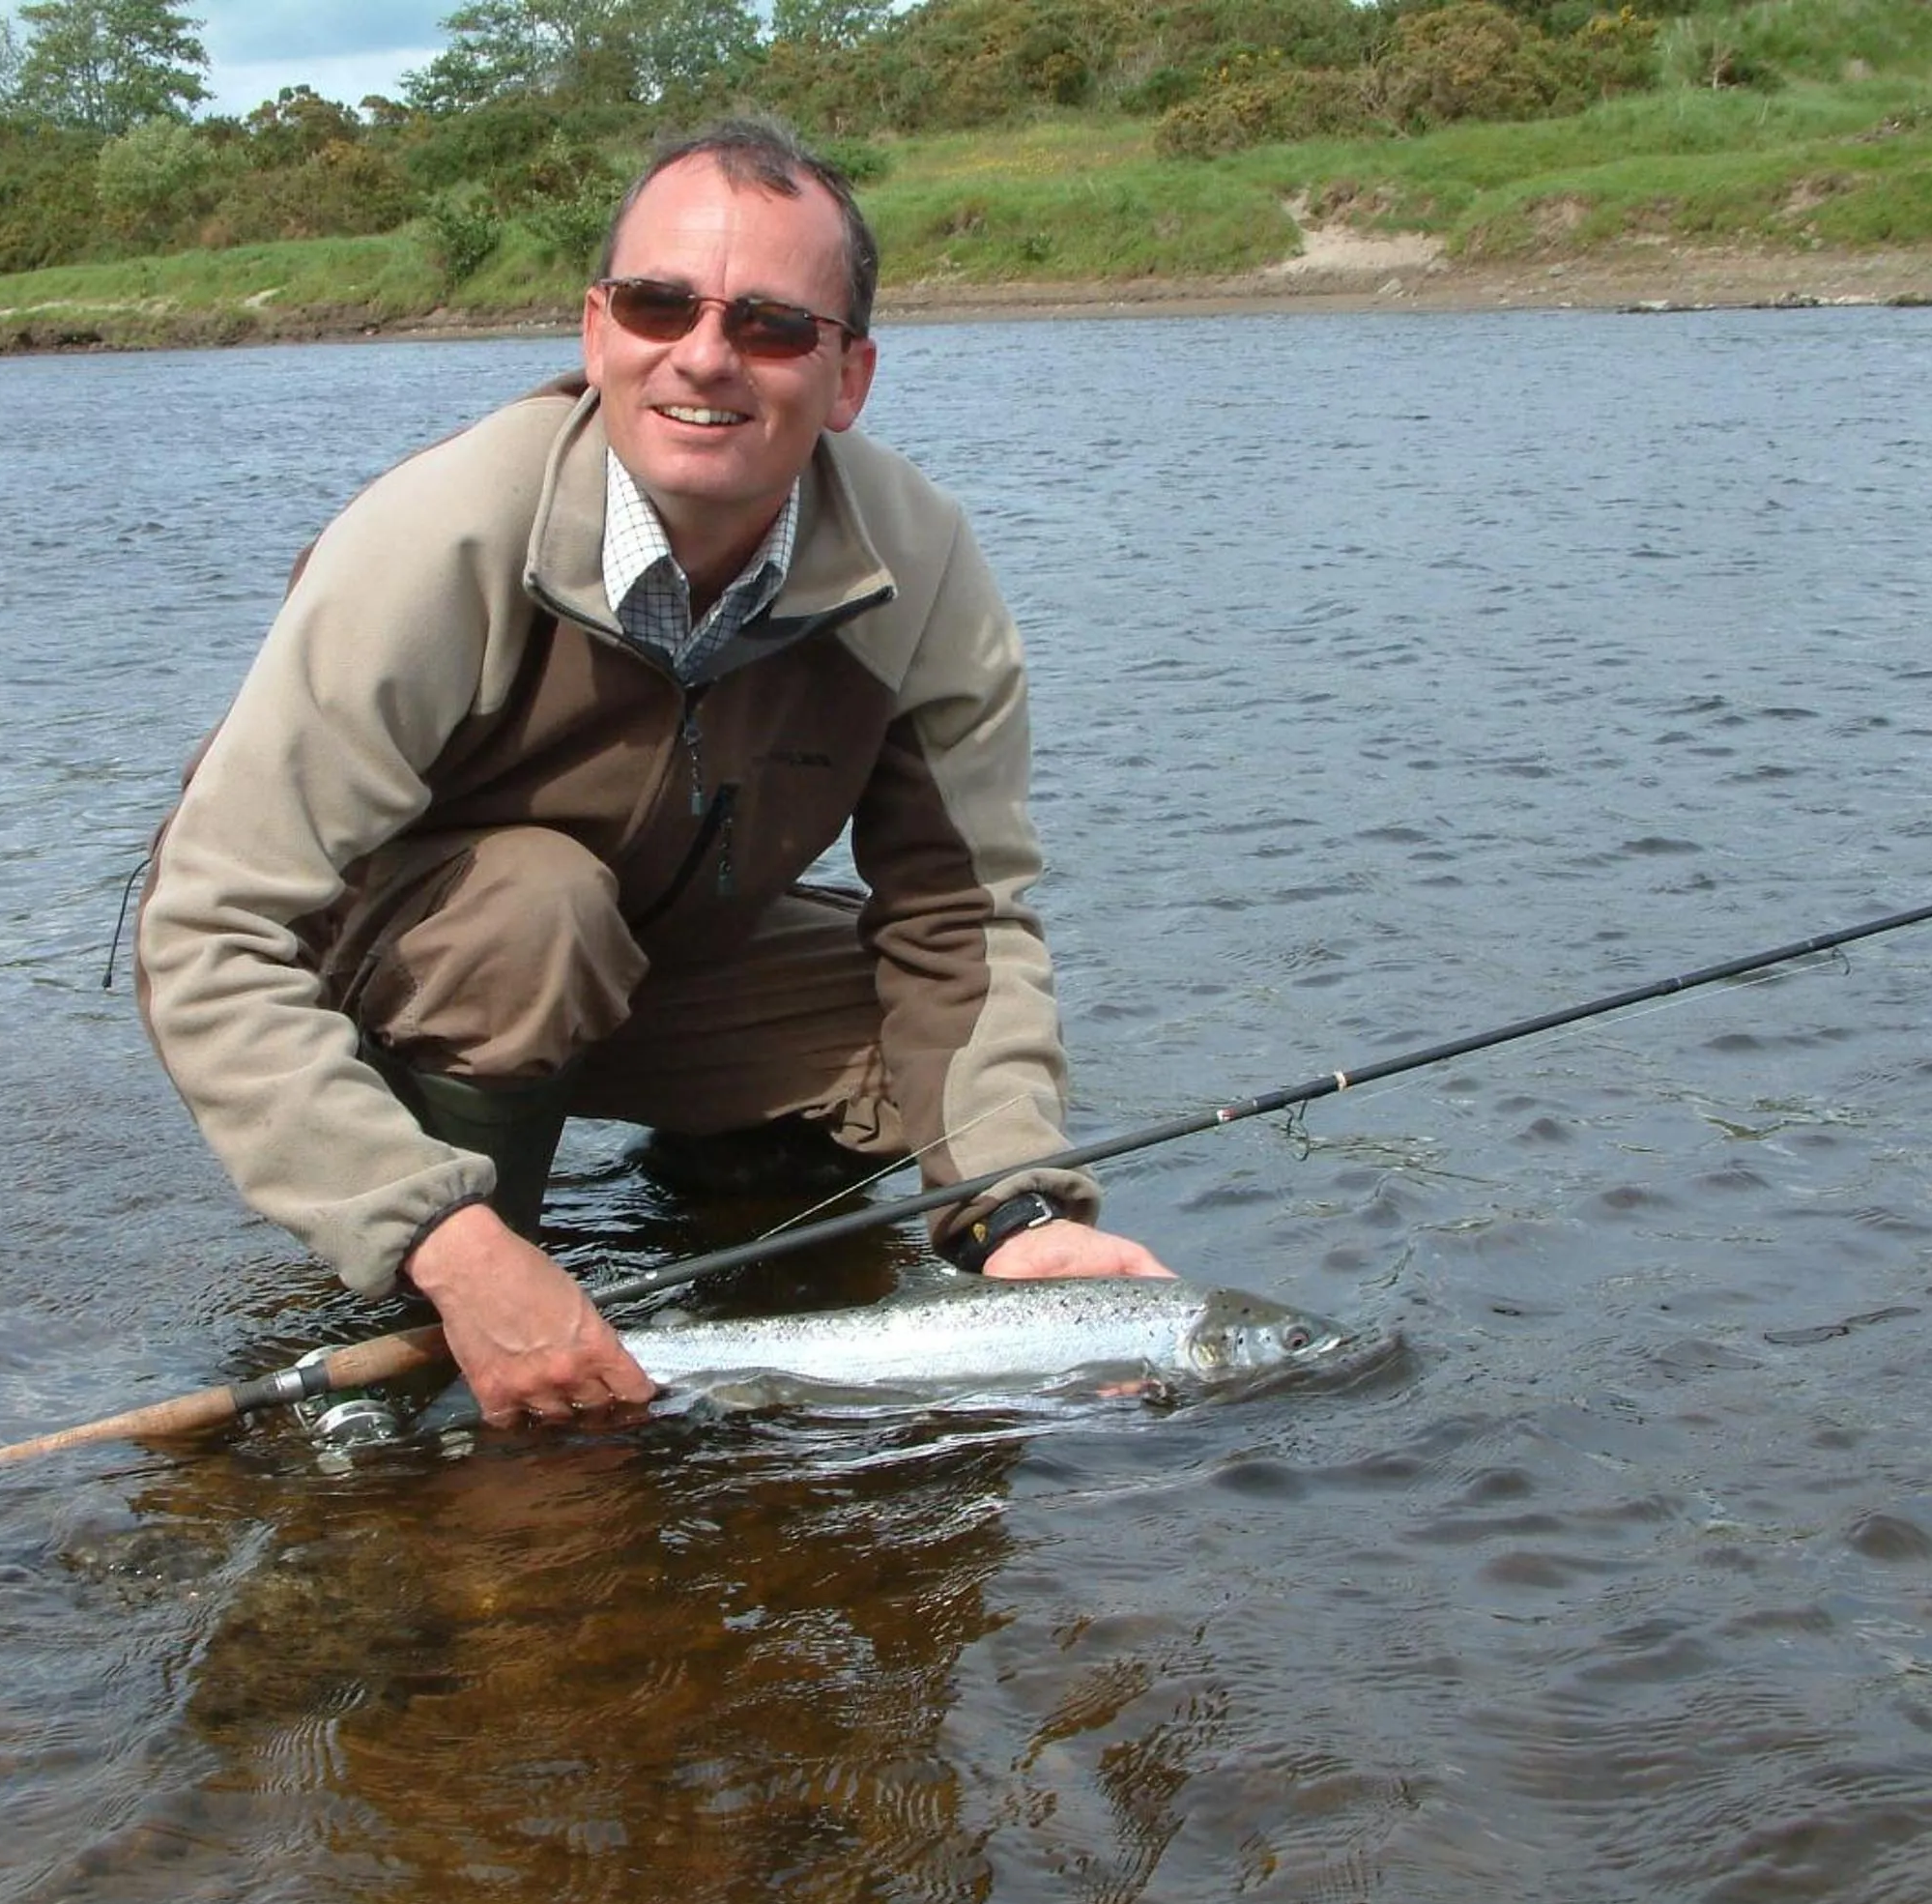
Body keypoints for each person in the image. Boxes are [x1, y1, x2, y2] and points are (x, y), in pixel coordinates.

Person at [135, 115, 1169, 1432]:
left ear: (848, 377)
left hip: (656, 963)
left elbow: (962, 922)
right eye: (657, 304)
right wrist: (451, 1247)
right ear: (596, 330)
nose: (704, 355)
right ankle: (454, 1307)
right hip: (392, 978)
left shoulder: (918, 564)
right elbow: (205, 931)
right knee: (536, 913)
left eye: (774, 326)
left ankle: (735, 1228)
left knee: (902, 1037)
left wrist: (1018, 1212)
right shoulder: (439, 538)